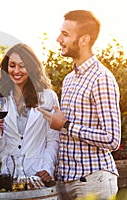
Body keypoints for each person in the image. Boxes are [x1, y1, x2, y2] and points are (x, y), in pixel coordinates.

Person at [38, 10, 121, 199]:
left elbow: (112, 139)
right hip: (67, 182)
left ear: (84, 40)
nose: (58, 39)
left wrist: (66, 126)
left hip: (93, 183)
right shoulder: (69, 79)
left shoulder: (101, 78)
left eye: (65, 34)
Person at [0, 43, 59, 186]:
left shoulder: (47, 97)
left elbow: (53, 140)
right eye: (12, 65)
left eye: (22, 65)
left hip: (37, 175)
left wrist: (47, 168)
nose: (16, 71)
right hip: (7, 176)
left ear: (31, 68)